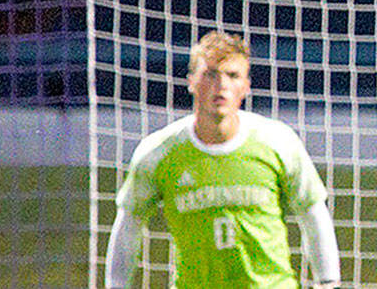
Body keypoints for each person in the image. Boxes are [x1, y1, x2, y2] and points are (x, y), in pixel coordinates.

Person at [104, 31, 340, 289]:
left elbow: (312, 210)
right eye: (211, 74)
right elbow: (129, 220)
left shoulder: (278, 142)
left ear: (246, 86)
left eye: (233, 75)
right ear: (192, 81)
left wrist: (328, 283)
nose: (221, 85)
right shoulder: (158, 152)